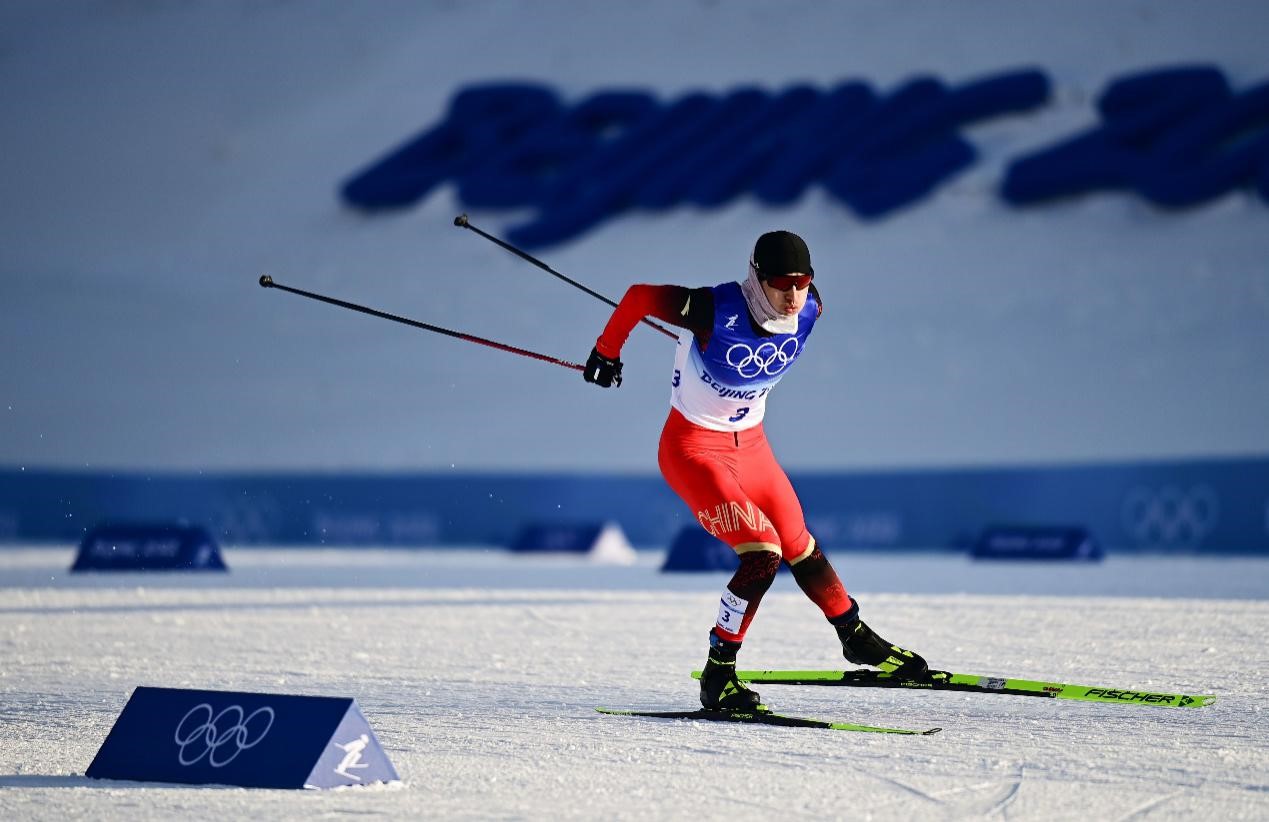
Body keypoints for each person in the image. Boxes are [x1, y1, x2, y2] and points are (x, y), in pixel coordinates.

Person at [583, 230, 931, 711]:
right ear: (757, 279)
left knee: (799, 543)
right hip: (694, 450)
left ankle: (855, 636)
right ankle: (718, 676)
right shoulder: (712, 309)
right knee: (763, 552)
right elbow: (640, 297)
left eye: (802, 282)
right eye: (782, 284)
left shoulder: (811, 307)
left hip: (753, 447)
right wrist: (606, 352)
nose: (793, 296)